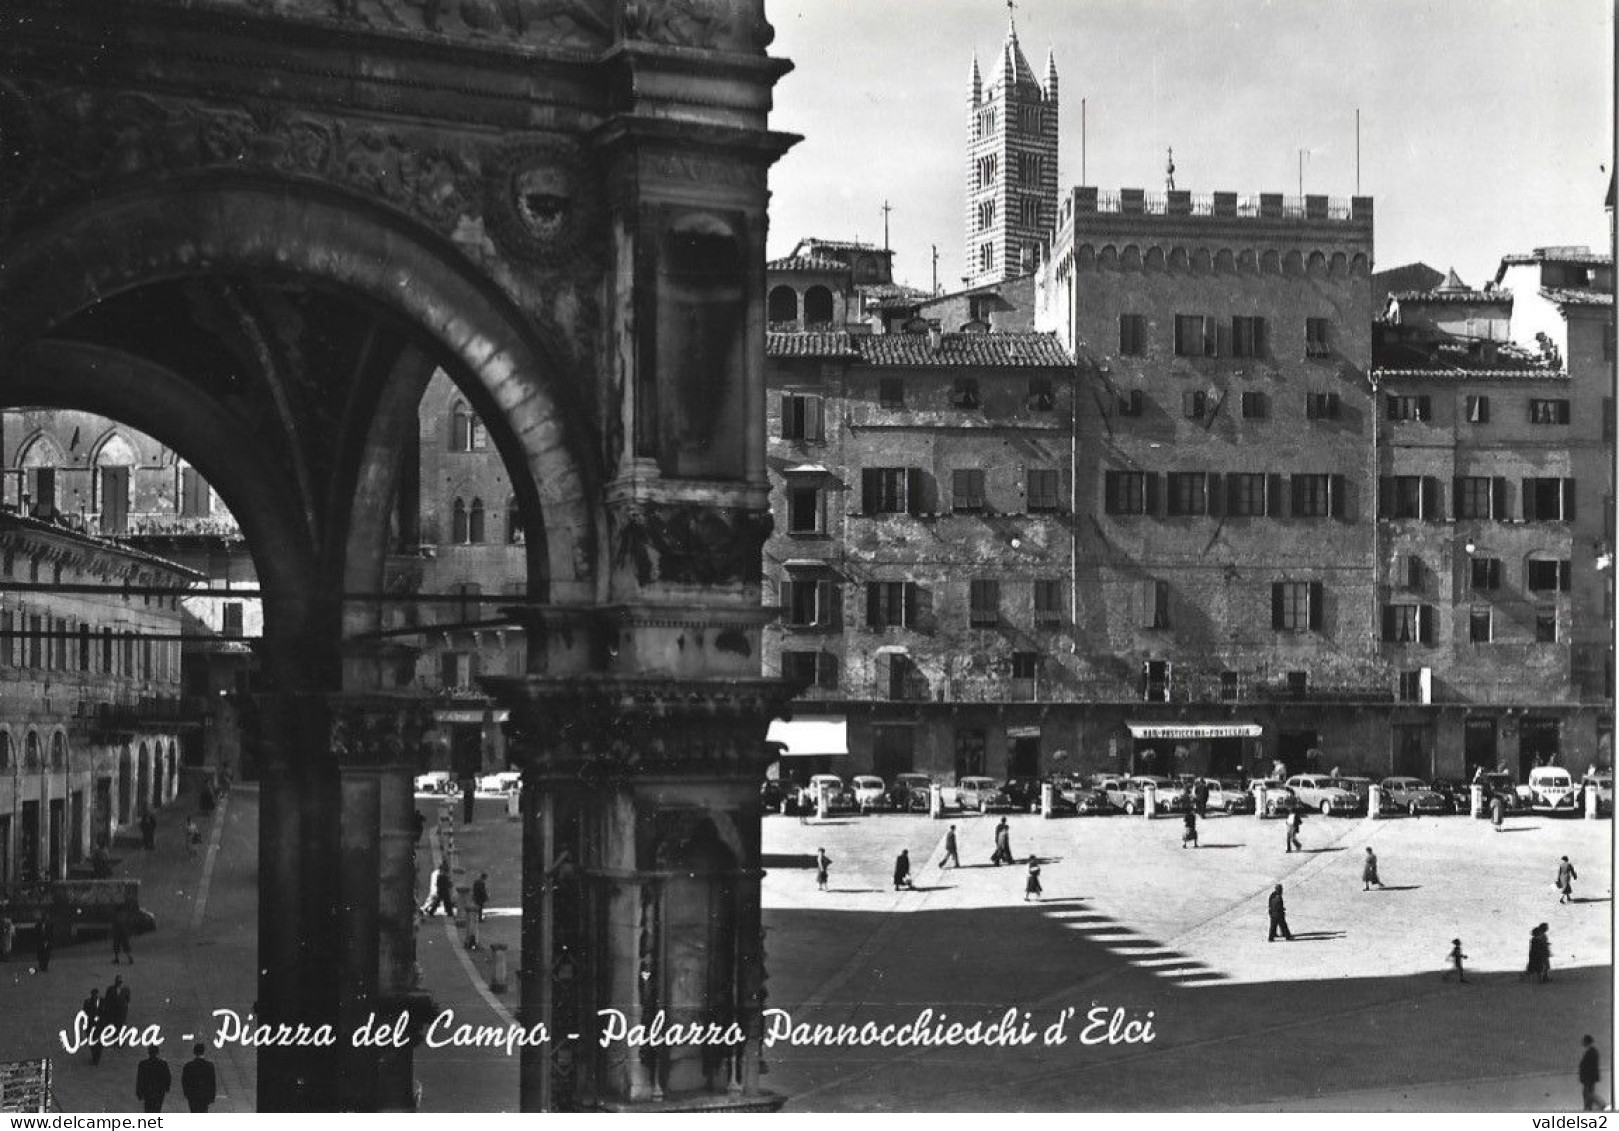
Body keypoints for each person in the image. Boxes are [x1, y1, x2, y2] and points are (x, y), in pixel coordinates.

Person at [181, 1042, 217, 1112]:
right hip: (204, 1095)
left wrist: (187, 1093)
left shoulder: (189, 1066)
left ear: (194, 1052)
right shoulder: (209, 1066)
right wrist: (212, 1096)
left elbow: (185, 1081)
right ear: (203, 1052)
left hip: (193, 1095)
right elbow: (212, 1082)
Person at [135, 1045, 171, 1113]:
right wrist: (166, 1088)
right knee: (157, 1110)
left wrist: (139, 1092)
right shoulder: (163, 1063)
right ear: (157, 1052)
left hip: (147, 1091)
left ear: (148, 1052)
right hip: (159, 1091)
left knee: (148, 1109)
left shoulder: (143, 1064)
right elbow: (167, 1077)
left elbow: (140, 1079)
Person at [81, 988, 104, 1066]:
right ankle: (95, 1058)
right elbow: (84, 1013)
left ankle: (96, 1058)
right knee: (92, 1044)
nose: (95, 996)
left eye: (96, 995)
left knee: (99, 1044)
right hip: (90, 1027)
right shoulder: (87, 1002)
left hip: (99, 1027)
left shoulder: (101, 1002)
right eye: (94, 995)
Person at [1580, 1035, 1604, 1112]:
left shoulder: (1591, 1052)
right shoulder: (1592, 1051)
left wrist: (1585, 1078)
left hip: (1589, 1078)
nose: (1582, 1043)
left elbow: (1589, 1067)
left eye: (1583, 1041)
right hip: (1590, 1078)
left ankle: (1601, 1103)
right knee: (1587, 1094)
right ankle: (1588, 1108)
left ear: (1587, 1042)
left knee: (1588, 1094)